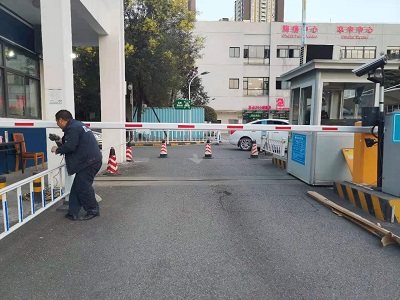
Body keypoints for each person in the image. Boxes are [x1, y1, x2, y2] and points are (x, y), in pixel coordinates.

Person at [51, 110, 102, 221]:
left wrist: (57, 149)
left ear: (60, 120)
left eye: (57, 122)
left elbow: (70, 146)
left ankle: (93, 209)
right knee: (77, 187)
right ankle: (72, 212)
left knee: (83, 187)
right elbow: (74, 142)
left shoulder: (73, 128)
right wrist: (59, 140)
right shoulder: (77, 125)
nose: (58, 125)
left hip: (89, 162)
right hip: (89, 160)